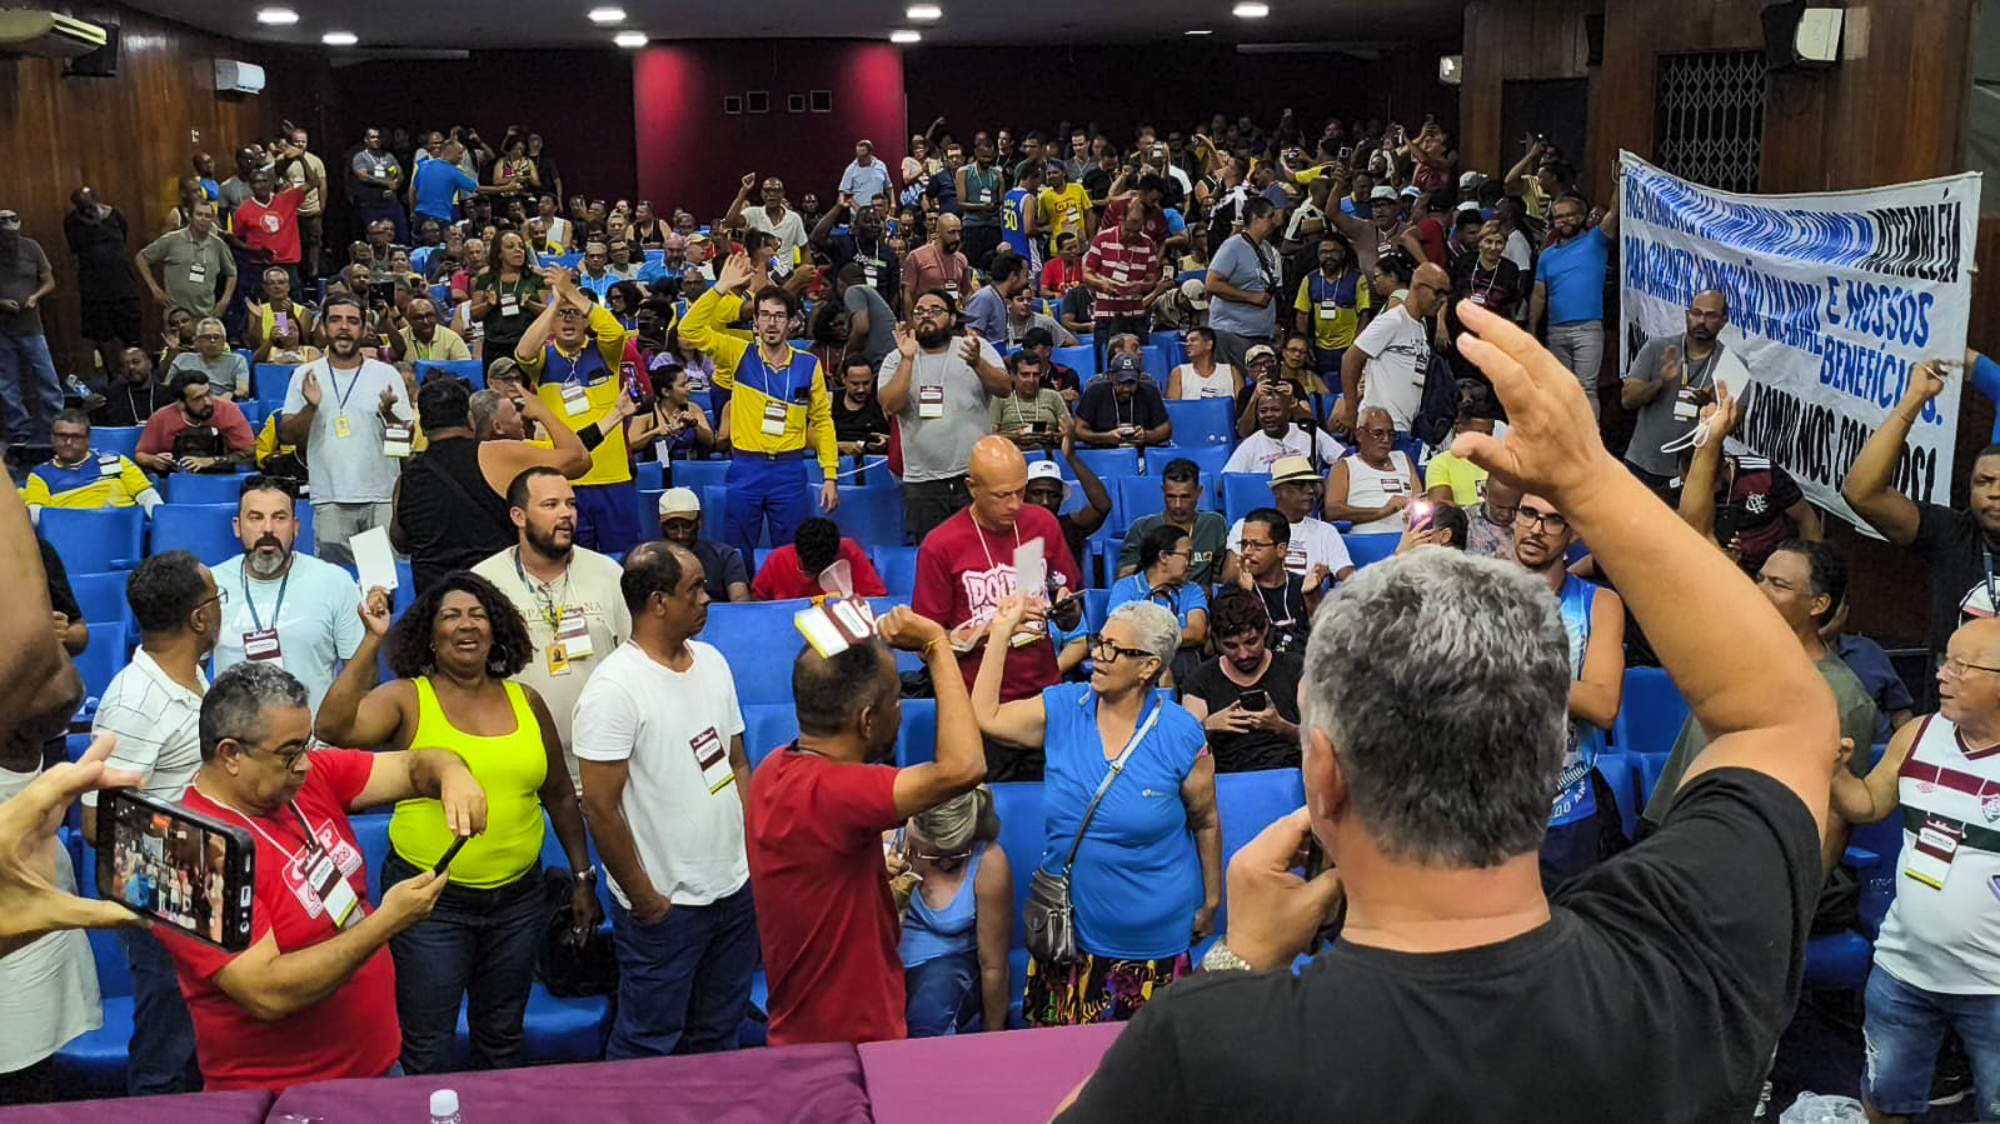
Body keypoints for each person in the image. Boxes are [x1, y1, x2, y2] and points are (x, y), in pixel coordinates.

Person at [1054, 298, 1845, 1122]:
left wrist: (1239, 963)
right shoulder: (1673, 964)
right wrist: (1590, 475)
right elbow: (1784, 717)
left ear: (1323, 779)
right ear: (1542, 760)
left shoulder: (1208, 1049)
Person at [314, 573, 599, 1075]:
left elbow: (558, 795)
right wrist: (372, 641)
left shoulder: (527, 700)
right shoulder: (407, 698)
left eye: (477, 615)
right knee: (428, 1044)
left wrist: (582, 877)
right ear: (429, 634)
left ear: (496, 630)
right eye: (450, 616)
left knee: (502, 1038)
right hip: (431, 906)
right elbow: (333, 728)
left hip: (519, 902)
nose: (466, 625)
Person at [160, 661, 479, 1090]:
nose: (305, 765)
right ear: (231, 754)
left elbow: (413, 767)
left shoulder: (299, 782)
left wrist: (452, 772)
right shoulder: (189, 853)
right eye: (290, 753)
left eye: (306, 746)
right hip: (282, 1095)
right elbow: (266, 992)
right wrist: (387, 922)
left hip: (377, 1067)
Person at [746, 604, 988, 1045]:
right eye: (896, 700)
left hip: (801, 1034)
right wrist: (936, 645)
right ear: (867, 720)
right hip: (854, 1043)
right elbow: (965, 767)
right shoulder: (840, 793)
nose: (901, 710)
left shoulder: (772, 770)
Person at [972, 596, 1218, 1027]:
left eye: (1114, 649)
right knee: (1061, 1061)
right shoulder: (1064, 708)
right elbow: (986, 716)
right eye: (1099, 642)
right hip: (1067, 936)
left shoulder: (1182, 733)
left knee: (1142, 1061)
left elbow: (1206, 821)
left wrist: (1212, 900)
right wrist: (1002, 632)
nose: (1097, 656)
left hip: (1151, 942)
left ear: (1148, 667)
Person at [575, 542, 758, 1058]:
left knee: (718, 1033)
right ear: (658, 602)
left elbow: (737, 762)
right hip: (666, 908)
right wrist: (645, 898)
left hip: (734, 892)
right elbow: (600, 808)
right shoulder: (614, 689)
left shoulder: (714, 662)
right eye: (694, 588)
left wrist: (749, 855)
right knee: (647, 1043)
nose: (707, 597)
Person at [1830, 617, 2000, 1124]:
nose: (1942, 674)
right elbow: (1867, 804)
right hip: (1903, 967)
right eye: (1946, 660)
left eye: (1962, 667)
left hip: (1993, 984)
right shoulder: (1919, 735)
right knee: (1884, 1102)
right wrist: (1834, 772)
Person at [85, 549, 222, 1094]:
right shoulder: (135, 702)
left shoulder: (190, 679)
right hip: (162, 903)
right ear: (199, 618)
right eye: (216, 598)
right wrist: (191, 859)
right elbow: (97, 824)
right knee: (167, 1058)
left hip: (201, 891)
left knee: (203, 1050)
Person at [916, 437, 1086, 782]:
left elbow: (1065, 601)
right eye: (1002, 495)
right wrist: (994, 630)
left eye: (1021, 492)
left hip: (1043, 698)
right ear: (972, 488)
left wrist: (1068, 612)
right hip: (977, 707)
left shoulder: (1041, 524)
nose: (1014, 504)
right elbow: (926, 644)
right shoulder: (941, 545)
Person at [469, 467, 633, 789]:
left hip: (605, 764)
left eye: (570, 504)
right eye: (550, 505)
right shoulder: (484, 583)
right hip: (521, 769)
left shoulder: (609, 574)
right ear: (518, 516)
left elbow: (637, 660)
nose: (566, 514)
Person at [674, 252, 838, 559]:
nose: (771, 323)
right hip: (746, 466)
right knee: (737, 551)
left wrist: (830, 474)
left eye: (779, 316)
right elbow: (688, 330)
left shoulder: (809, 364)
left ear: (792, 322)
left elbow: (823, 422)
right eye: (764, 315)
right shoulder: (738, 353)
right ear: (755, 321)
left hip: (790, 469)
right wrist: (719, 288)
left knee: (792, 553)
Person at [1509, 486, 1627, 885]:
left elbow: (1604, 707)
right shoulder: (1477, 594)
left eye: (1554, 519)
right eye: (1528, 513)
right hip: (1485, 808)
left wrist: (1508, 668)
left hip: (1567, 808)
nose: (1536, 528)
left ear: (1574, 533)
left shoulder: (1599, 604)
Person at [394, 376, 591, 594]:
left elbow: (401, 542)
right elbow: (579, 459)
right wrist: (542, 411)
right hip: (495, 596)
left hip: (436, 602)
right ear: (470, 420)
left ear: (423, 428)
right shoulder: (495, 455)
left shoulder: (407, 478)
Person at [510, 266, 645, 554]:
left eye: (575, 313)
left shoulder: (605, 352)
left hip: (614, 478)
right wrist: (556, 303)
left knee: (624, 562)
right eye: (562, 314)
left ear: (587, 320)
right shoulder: (544, 360)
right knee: (572, 559)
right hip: (566, 481)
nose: (569, 319)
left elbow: (614, 331)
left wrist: (570, 293)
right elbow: (523, 352)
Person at [209, 476, 363, 714]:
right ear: (237, 527)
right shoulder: (209, 586)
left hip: (314, 734)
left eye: (279, 518)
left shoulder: (335, 582)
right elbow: (186, 674)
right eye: (256, 517)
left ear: (296, 527)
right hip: (234, 733)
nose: (268, 529)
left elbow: (363, 682)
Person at [277, 296, 409, 558]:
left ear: (363, 327)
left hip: (380, 499)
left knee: (381, 579)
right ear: (323, 327)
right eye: (336, 320)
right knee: (336, 580)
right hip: (329, 499)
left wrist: (389, 416)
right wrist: (311, 407)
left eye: (352, 321)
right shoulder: (305, 374)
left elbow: (403, 446)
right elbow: (288, 435)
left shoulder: (386, 374)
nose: (344, 327)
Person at [879, 292, 1012, 541]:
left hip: (974, 476)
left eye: (935, 310)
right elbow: (890, 405)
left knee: (980, 549)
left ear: (952, 319)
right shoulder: (896, 357)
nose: (926, 316)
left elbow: (1004, 388)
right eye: (919, 312)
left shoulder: (975, 347)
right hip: (922, 482)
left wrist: (978, 364)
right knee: (932, 552)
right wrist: (907, 359)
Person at [894, 786, 1011, 1037]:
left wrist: (995, 1039)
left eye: (955, 855)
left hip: (946, 967)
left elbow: (993, 965)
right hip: (886, 957)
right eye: (933, 855)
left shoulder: (989, 861)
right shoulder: (888, 843)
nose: (945, 863)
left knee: (931, 1010)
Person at [1179, 587, 1305, 772]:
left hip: (1289, 772)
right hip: (1224, 776)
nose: (1244, 654)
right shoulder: (1200, 680)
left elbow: (1322, 738)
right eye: (1231, 646)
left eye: (1251, 642)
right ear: (1216, 641)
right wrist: (1208, 726)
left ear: (1265, 631)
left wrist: (1282, 727)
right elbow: (1182, 748)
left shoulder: (1295, 669)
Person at [1621, 291, 1730, 496]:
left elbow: (1734, 423)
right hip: (1642, 466)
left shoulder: (1731, 364)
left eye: (1711, 315)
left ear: (1724, 321)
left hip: (1693, 475)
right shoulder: (1657, 348)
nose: (1702, 321)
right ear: (1687, 315)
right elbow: (1628, 400)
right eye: (1696, 313)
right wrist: (1660, 383)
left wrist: (1710, 405)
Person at [1527, 192, 1620, 418]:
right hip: (1555, 330)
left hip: (1588, 329)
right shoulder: (1546, 256)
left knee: (1586, 388)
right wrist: (1531, 329)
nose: (1564, 220)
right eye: (1559, 217)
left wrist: (1620, 182)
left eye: (1570, 215)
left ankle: (1588, 437)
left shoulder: (1595, 241)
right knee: (1561, 389)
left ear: (1581, 216)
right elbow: (1539, 295)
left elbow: (1615, 212)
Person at [1336, 261, 1450, 438]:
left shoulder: (1420, 328)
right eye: (1438, 292)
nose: (1442, 300)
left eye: (1446, 294)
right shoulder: (1393, 320)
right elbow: (1350, 359)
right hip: (1380, 429)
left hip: (1405, 429)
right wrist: (1350, 411)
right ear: (1418, 287)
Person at [1220, 456, 1354, 593]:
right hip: (1256, 600)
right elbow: (1228, 578)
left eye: (1312, 484)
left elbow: (1348, 577)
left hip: (1308, 601)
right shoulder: (1247, 526)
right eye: (1300, 484)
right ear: (1277, 491)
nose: (1310, 490)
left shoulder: (1326, 531)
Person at [1108, 525, 1209, 682]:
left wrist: (1151, 639)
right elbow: (1123, 632)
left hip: (1183, 663)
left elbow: (1196, 633)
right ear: (1163, 557)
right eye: (1188, 556)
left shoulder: (1192, 590)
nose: (1192, 563)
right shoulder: (1126, 588)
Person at [24, 408, 162, 523]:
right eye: (62, 436)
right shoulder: (41, 474)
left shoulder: (116, 461)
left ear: (88, 439)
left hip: (119, 533)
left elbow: (147, 496)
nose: (68, 442)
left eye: (76, 437)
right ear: (52, 438)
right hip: (67, 536)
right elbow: (36, 516)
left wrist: (162, 524)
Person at [0, 208, 61, 452]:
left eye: (14, 234)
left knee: (46, 377)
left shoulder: (32, 247)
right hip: (3, 328)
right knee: (7, 381)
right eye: (6, 236)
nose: (11, 239)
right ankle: (19, 430)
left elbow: (49, 281)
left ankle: (55, 424)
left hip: (31, 325)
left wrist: (35, 296)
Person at [63, 186, 141, 378]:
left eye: (90, 206)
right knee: (102, 337)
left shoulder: (116, 215)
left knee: (132, 334)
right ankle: (113, 377)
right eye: (83, 208)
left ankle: (138, 372)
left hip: (122, 285)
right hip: (94, 290)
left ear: (97, 200)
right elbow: (75, 249)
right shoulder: (72, 222)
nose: (88, 211)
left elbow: (124, 238)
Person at [1118, 458, 1229, 587]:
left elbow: (1221, 577)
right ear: (1162, 491)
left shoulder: (1215, 524)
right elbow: (1124, 577)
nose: (1178, 505)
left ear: (1199, 492)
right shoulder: (1142, 528)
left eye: (1185, 497)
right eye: (1171, 496)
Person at [1203, 198, 1283, 371]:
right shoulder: (1233, 246)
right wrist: (1250, 297)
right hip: (1233, 332)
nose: (1274, 222)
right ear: (1255, 218)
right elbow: (1211, 283)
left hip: (1260, 332)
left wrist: (1274, 324)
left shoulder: (1267, 248)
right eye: (1270, 216)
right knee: (1236, 381)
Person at [134, 370, 256, 475]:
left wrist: (210, 461)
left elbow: (250, 453)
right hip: (178, 478)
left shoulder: (228, 410)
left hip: (222, 475)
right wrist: (153, 460)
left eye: (208, 393)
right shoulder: (161, 418)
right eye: (198, 398)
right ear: (181, 403)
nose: (208, 402)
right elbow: (140, 455)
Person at [1082, 203, 1162, 363]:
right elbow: (1087, 274)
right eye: (1128, 230)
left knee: (1139, 362)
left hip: (1135, 316)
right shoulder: (1102, 239)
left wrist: (1141, 286)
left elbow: (1151, 279)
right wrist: (1102, 285)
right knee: (1107, 363)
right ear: (1121, 219)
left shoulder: (1148, 244)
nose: (1132, 235)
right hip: (1106, 316)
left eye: (1136, 231)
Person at [1325, 406, 1424, 534]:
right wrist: (1383, 511)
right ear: (1360, 435)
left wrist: (1414, 510)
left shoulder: (1403, 458)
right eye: (1378, 433)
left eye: (1391, 434)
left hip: (1409, 536)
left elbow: (1419, 497)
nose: (1386, 439)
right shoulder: (1344, 466)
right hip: (1367, 537)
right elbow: (1332, 511)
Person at [137, 200, 234, 322]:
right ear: (190, 216)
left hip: (206, 315)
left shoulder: (218, 245)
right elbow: (141, 258)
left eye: (208, 216)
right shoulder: (172, 240)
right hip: (176, 316)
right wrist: (155, 289)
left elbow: (232, 273)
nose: (203, 219)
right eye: (199, 214)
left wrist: (225, 300)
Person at [1023, 441, 1114, 570]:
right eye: (1037, 493)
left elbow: (1102, 506)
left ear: (1061, 499)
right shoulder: (1011, 528)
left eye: (1053, 495)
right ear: (1024, 496)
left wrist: (1072, 458)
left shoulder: (1069, 526)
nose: (1045, 501)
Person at [1293, 232, 1370, 384]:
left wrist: (1356, 346)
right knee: (1322, 387)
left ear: (1343, 253)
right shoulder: (1310, 279)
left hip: (1347, 347)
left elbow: (1365, 314)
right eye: (1323, 252)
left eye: (1334, 251)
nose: (1328, 256)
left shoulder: (1357, 279)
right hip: (1319, 349)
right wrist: (1305, 345)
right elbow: (1302, 314)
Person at [751, 516, 888, 601]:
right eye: (808, 568)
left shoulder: (850, 552)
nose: (812, 575)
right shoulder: (778, 559)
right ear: (797, 551)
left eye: (819, 569)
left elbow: (876, 598)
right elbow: (757, 603)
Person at [656, 488, 752, 603]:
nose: (680, 535)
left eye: (687, 526)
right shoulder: (650, 562)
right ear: (661, 526)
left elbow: (740, 603)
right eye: (673, 527)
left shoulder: (725, 556)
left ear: (700, 521)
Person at [470, 231, 546, 374]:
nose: (518, 250)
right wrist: (488, 305)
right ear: (499, 253)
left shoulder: (535, 277)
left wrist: (530, 305)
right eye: (511, 247)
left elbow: (548, 313)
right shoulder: (485, 279)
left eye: (521, 247)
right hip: (495, 347)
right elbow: (474, 315)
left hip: (528, 345)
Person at [1223, 390, 1344, 476]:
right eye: (1263, 411)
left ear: (1288, 414)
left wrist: (1328, 481)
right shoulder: (1251, 443)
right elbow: (1224, 484)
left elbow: (1344, 458)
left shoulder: (1310, 432)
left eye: (1275, 410)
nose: (1269, 415)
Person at [1075, 355, 1171, 448]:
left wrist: (1147, 436)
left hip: (1141, 453)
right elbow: (1078, 430)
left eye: (1132, 383)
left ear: (1139, 377)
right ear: (1111, 376)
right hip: (1103, 453)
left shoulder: (1150, 391)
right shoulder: (1095, 392)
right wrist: (1106, 437)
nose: (1126, 388)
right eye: (1121, 382)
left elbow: (1165, 429)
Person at [990, 351, 1068, 447]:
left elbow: (1070, 433)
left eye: (1035, 375)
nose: (1031, 380)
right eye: (1025, 375)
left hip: (1048, 450)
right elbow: (991, 437)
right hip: (1010, 451)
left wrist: (1054, 436)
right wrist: (1015, 438)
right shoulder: (1001, 397)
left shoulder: (1053, 396)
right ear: (1013, 376)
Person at [168, 317, 250, 400]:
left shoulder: (237, 360)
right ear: (198, 340)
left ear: (224, 340)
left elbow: (243, 391)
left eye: (217, 337)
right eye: (207, 337)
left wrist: (229, 396)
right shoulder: (183, 359)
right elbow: (166, 388)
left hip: (222, 403)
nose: (212, 341)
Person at [91, 346, 172, 428]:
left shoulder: (167, 395)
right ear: (121, 370)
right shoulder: (112, 397)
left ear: (149, 364)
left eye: (136, 362)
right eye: (125, 365)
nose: (131, 367)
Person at [1465, 474, 1522, 562]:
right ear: (1484, 493)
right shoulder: (1464, 520)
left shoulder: (1527, 523)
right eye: (1500, 507)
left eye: (1514, 508)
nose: (1506, 514)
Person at [839, 139, 894, 209]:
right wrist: (846, 204)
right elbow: (844, 192)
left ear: (870, 153)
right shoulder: (851, 169)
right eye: (858, 155)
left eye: (863, 156)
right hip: (859, 212)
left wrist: (893, 203)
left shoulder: (881, 165)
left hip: (878, 211)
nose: (859, 158)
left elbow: (889, 187)